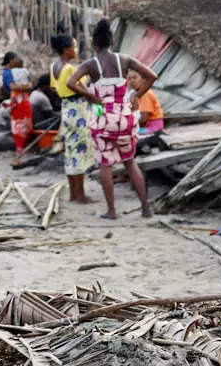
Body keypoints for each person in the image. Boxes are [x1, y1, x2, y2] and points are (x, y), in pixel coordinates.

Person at [65, 20, 157, 219]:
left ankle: (112, 211)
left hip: (102, 118)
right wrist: (136, 96)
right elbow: (152, 76)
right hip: (125, 118)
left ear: (94, 44)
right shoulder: (124, 59)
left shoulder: (90, 64)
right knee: (130, 163)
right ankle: (145, 208)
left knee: (105, 165)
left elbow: (71, 82)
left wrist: (91, 97)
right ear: (112, 41)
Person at [50, 34, 96, 203]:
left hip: (66, 108)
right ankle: (81, 195)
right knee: (80, 151)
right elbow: (83, 89)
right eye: (74, 47)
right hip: (78, 109)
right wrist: (96, 102)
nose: (76, 50)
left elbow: (55, 89)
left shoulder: (53, 66)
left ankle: (73, 194)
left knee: (70, 151)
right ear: (66, 49)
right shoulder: (69, 68)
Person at [128, 68, 164, 134]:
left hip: (154, 128)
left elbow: (144, 119)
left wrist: (129, 127)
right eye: (129, 79)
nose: (132, 81)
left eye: (135, 77)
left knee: (128, 134)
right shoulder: (134, 94)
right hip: (147, 126)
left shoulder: (145, 93)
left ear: (143, 79)